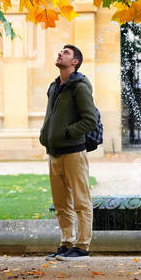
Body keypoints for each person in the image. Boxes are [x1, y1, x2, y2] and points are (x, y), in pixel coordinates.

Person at [40, 44, 99, 259]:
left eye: (66, 52)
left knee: (81, 201)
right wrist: (45, 135)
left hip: (74, 152)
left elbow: (90, 120)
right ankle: (66, 243)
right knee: (61, 203)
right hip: (54, 152)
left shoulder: (80, 86)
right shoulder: (54, 87)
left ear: (75, 62)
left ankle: (83, 246)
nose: (60, 53)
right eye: (60, 51)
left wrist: (67, 133)